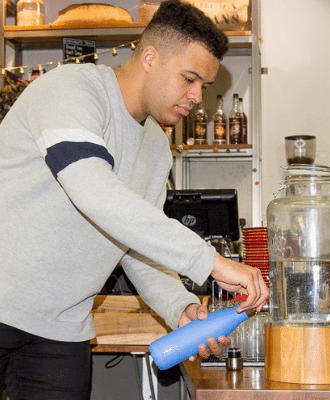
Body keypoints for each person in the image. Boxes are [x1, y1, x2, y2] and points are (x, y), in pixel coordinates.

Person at [0, 0, 269, 398]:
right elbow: (92, 189)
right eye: (189, 79)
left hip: (60, 329)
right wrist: (210, 261)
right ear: (149, 57)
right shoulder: (72, 90)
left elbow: (133, 246)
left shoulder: (157, 147)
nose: (197, 97)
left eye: (205, 87)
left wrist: (179, 305)